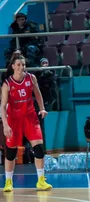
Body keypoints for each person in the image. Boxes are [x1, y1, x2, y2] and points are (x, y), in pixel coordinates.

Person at [1, 54, 51, 192]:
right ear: (13, 66)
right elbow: (2, 105)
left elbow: (38, 93)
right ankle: (8, 182)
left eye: (23, 64)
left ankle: (41, 181)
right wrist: (5, 124)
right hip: (14, 120)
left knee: (39, 149)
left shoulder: (31, 78)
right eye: (18, 64)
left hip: (30, 117)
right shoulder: (7, 83)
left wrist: (42, 109)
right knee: (11, 152)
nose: (21, 67)